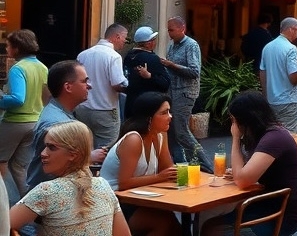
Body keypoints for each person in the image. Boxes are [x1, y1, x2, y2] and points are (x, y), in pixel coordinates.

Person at [200, 90, 297, 236]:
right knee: (209, 223)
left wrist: (236, 138)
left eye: (234, 120)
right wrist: (239, 174)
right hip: (268, 203)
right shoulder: (266, 134)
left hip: (282, 214)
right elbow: (242, 174)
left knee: (212, 230)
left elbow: (242, 180)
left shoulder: (274, 137)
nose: (233, 124)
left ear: (247, 119)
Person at [11, 120, 130, 236]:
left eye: (51, 147)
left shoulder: (47, 190)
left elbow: (5, 224)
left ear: (73, 155)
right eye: (45, 146)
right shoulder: (103, 185)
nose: (43, 153)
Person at [99, 92, 180, 236]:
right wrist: (161, 177)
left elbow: (168, 169)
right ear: (149, 118)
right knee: (164, 222)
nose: (170, 116)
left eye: (169, 111)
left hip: (139, 199)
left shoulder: (160, 134)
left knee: (175, 225)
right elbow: (124, 183)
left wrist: (174, 173)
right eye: (164, 113)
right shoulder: (133, 140)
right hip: (115, 202)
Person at [27, 60, 107, 190]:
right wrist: (89, 157)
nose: (89, 86)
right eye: (84, 81)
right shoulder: (57, 123)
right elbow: (52, 168)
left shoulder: (60, 113)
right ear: (68, 87)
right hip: (50, 198)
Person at [0, 29, 49, 198]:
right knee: (20, 167)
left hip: (15, 121)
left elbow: (17, 99)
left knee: (2, 162)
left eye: (8, 45)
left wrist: (1, 100)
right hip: (35, 121)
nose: (6, 49)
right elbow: (46, 96)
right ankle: (28, 202)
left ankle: (8, 203)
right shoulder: (42, 67)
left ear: (17, 48)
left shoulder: (18, 68)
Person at [160, 17, 212, 170]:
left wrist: (171, 65)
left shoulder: (191, 45)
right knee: (172, 131)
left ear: (182, 29)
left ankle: (205, 165)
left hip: (185, 93)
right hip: (173, 92)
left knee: (181, 131)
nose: (169, 33)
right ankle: (181, 164)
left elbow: (194, 71)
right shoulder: (172, 46)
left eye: (171, 30)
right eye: (168, 30)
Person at [76, 24, 129, 150]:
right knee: (106, 149)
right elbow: (117, 84)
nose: (124, 42)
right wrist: (129, 85)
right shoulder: (114, 56)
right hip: (105, 109)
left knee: (85, 146)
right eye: (124, 38)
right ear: (117, 36)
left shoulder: (83, 54)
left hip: (83, 108)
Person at [260, 17, 297, 131]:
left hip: (271, 99)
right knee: (289, 134)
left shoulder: (267, 47)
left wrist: (266, 94)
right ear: (292, 29)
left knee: (272, 132)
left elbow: (262, 72)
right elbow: (294, 78)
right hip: (288, 99)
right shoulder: (291, 48)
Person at [123, 28, 170, 119]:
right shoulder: (152, 59)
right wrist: (150, 76)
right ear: (149, 43)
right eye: (154, 39)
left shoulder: (128, 57)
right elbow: (165, 83)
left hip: (130, 104)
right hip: (148, 106)